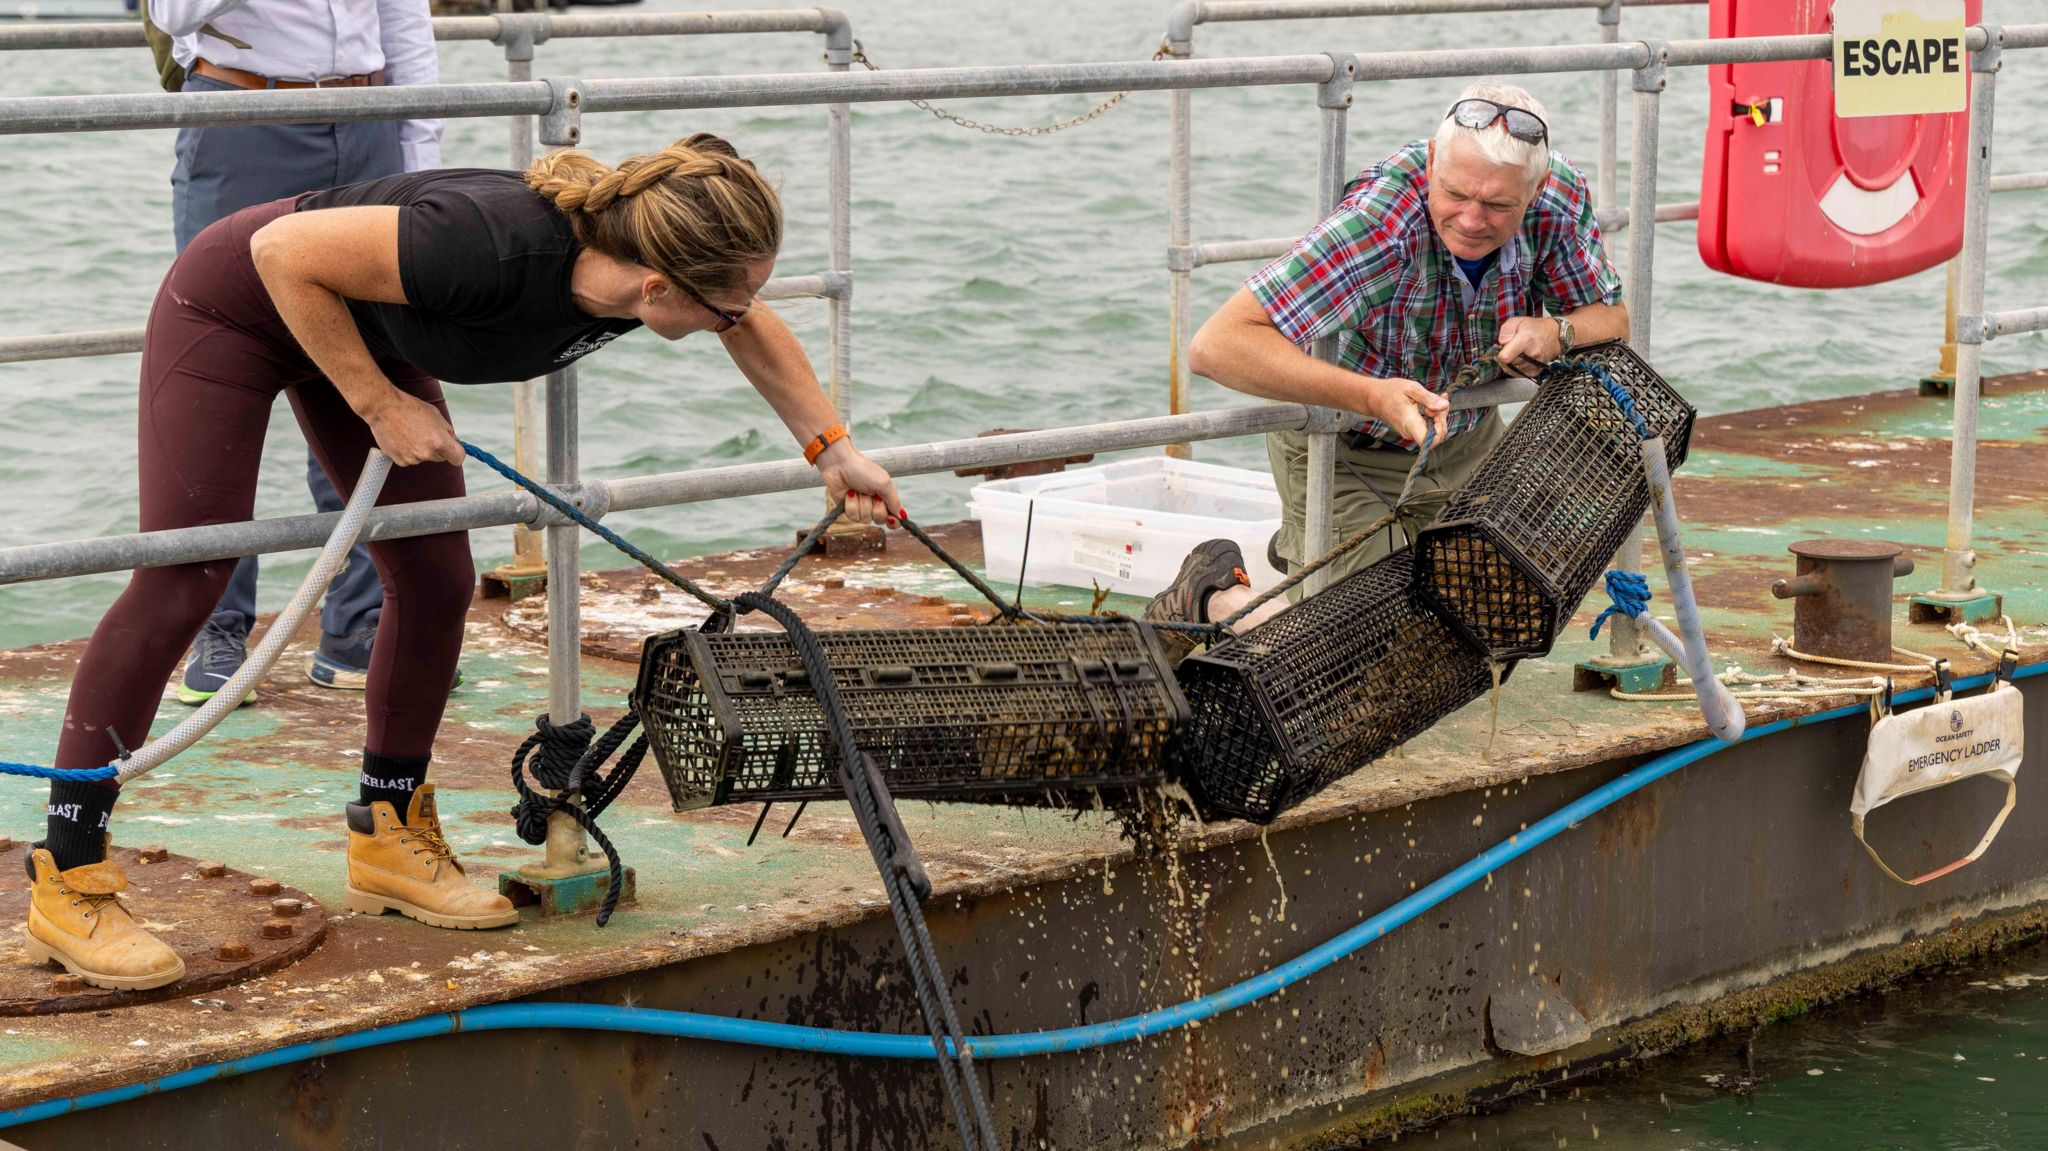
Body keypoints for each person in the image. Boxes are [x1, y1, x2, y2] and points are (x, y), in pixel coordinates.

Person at [26, 135, 903, 991]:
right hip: (239, 304)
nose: (739, 320)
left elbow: (752, 326)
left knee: (439, 581)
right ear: (659, 286)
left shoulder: (654, 270)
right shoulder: (488, 244)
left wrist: (832, 448)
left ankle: (386, 830)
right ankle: (67, 873)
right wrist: (375, 403)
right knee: (187, 575)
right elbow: (279, 251)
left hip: (358, 322)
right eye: (727, 307)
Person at [1144, 81, 1628, 659]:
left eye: (1499, 205)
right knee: (1370, 657)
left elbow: (1613, 318)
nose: (1472, 219)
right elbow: (1216, 346)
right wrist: (1371, 396)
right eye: (1453, 194)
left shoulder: (1559, 196)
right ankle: (1213, 595)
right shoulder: (1382, 221)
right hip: (1344, 445)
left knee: (1493, 626)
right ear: (1430, 162)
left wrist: (1557, 331)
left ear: (1537, 188)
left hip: (1466, 438)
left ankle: (1308, 555)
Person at [149, 0, 443, 703]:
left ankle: (360, 624)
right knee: (220, 372)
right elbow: (172, 11)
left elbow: (404, 17)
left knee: (377, 355)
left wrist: (423, 152)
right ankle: (215, 625)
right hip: (242, 113)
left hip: (371, 115)